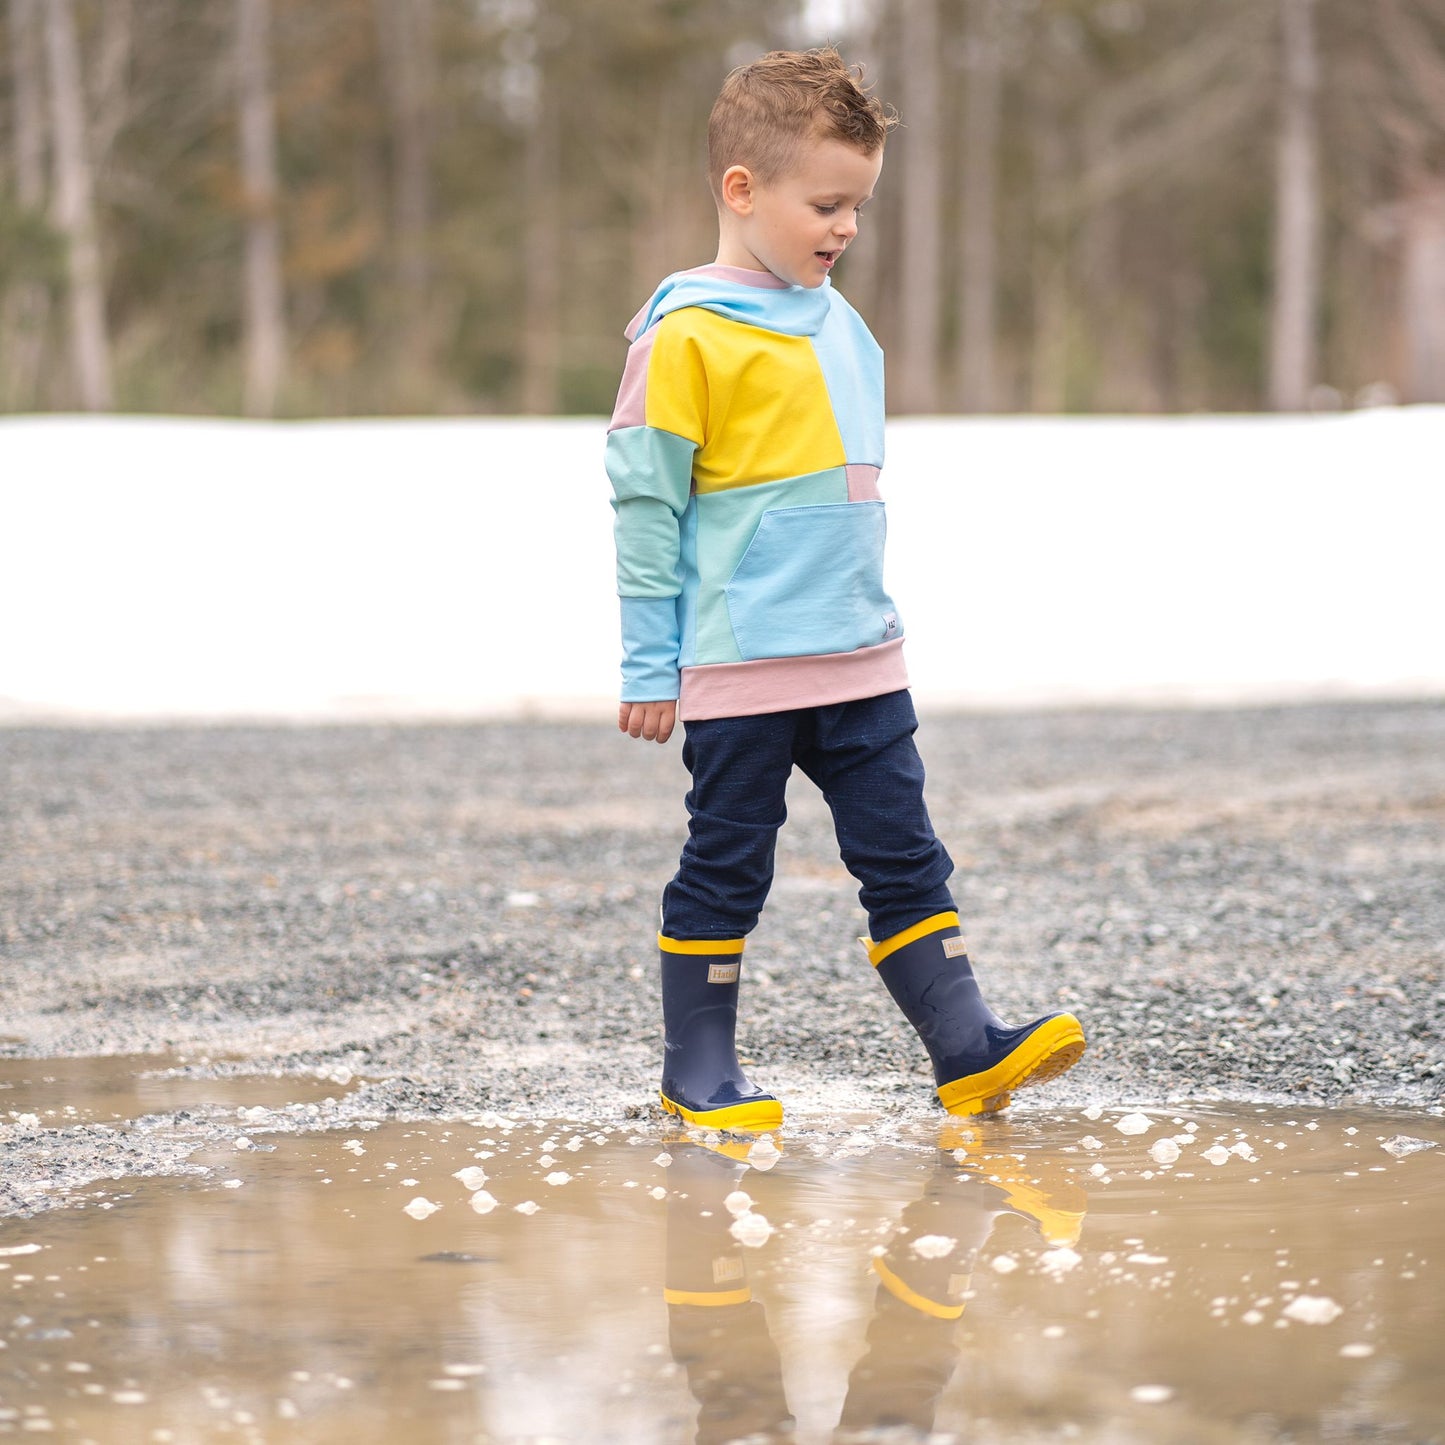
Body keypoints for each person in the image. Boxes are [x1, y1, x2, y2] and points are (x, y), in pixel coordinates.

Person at [605, 46, 1084, 1132]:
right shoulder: (682, 336)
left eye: (858, 206)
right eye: (825, 204)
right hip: (739, 663)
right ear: (742, 189)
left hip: (859, 654)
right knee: (727, 863)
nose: (845, 230)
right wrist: (646, 664)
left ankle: (964, 1046)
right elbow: (646, 516)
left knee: (904, 851)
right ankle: (699, 1066)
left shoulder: (841, 324)